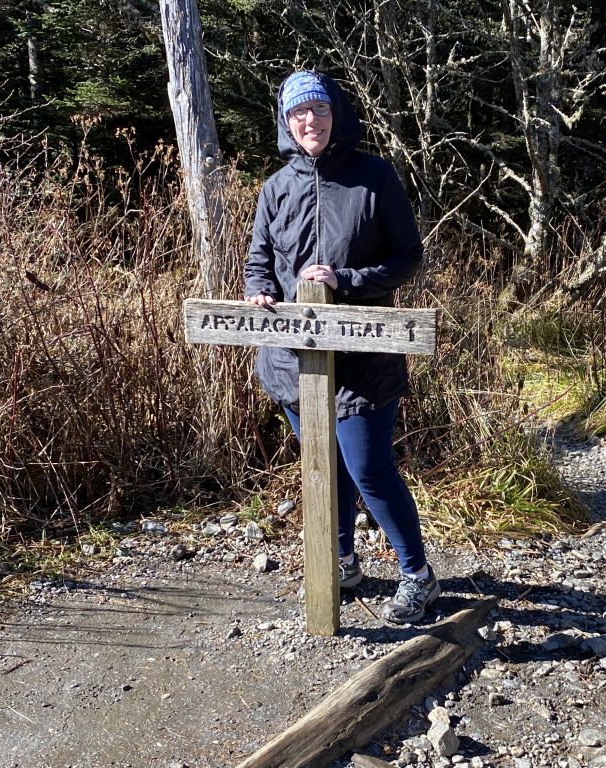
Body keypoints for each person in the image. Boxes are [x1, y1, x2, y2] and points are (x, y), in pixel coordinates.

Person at [243, 70, 440, 624]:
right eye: (299, 113)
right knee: (321, 468)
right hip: (293, 358)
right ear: (287, 122)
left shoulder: (374, 177)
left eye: (320, 111)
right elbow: (260, 258)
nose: (311, 122)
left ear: (337, 115)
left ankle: (418, 577)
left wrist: (347, 280)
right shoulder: (276, 187)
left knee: (369, 468)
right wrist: (259, 289)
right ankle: (343, 561)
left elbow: (408, 257)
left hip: (363, 360)